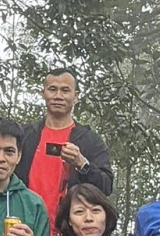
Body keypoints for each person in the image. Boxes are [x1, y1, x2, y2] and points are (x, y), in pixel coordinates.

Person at [16, 67, 115, 224]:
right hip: (24, 225)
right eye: (52, 89)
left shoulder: (89, 140)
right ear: (43, 93)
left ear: (75, 96)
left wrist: (82, 164)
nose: (58, 96)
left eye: (65, 90)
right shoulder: (24, 136)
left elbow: (106, 186)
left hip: (70, 230)